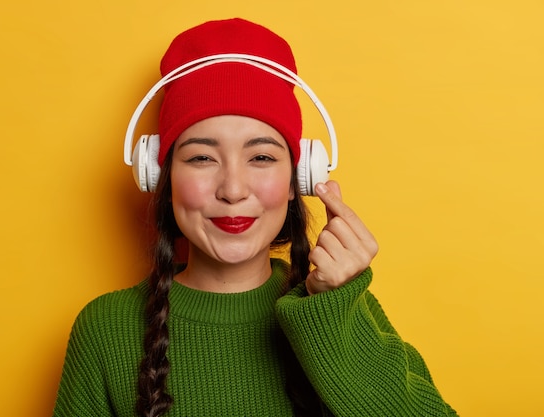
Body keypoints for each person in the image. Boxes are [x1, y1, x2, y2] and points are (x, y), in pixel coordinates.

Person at [52, 18, 458, 417]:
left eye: (261, 157)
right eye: (201, 158)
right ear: (161, 177)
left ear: (299, 179)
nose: (232, 189)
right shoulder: (105, 330)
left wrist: (332, 308)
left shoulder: (340, 309)